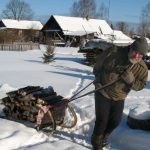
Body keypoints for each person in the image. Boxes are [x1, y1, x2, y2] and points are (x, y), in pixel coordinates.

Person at [91, 37, 149, 150]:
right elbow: (98, 65)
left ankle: (103, 137)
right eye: (135, 52)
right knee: (102, 121)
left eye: (140, 54)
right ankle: (96, 142)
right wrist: (97, 80)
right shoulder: (113, 53)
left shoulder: (142, 68)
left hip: (119, 96)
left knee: (115, 122)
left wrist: (131, 81)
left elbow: (141, 85)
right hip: (103, 91)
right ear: (131, 48)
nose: (136, 56)